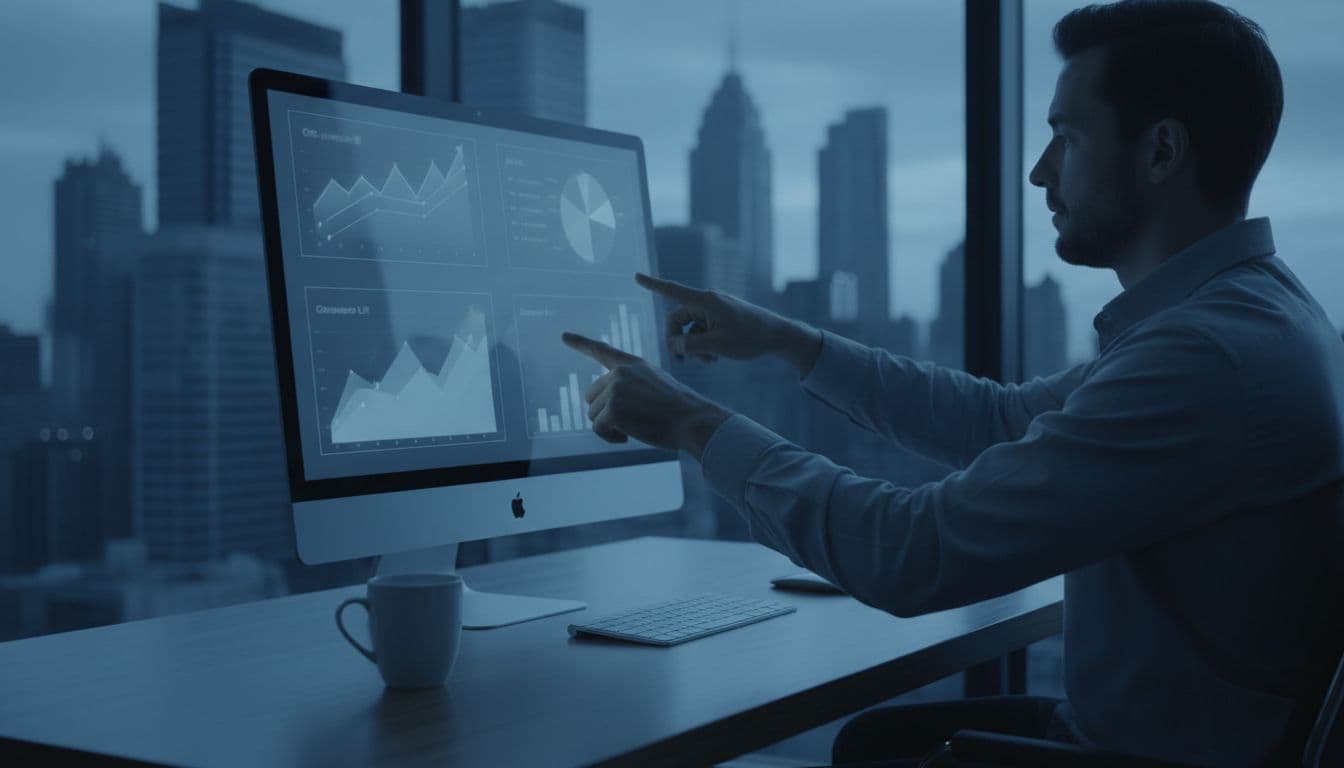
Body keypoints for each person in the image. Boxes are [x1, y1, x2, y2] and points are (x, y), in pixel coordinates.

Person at [562, 0, 1344, 764]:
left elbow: (910, 553)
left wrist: (691, 424)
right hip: (1148, 737)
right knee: (874, 742)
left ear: (1161, 152)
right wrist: (788, 340)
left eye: (1066, 139)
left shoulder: (1208, 358)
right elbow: (1003, 421)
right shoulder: (1243, 316)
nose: (1040, 172)